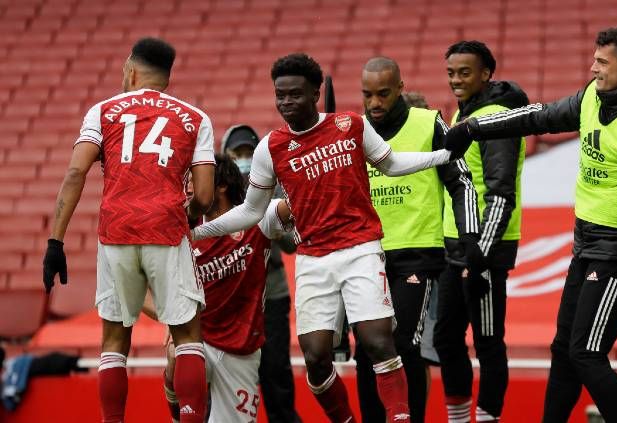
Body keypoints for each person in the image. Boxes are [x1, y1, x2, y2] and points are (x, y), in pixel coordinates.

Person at [191, 53, 464, 423]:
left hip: (361, 249)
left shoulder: (350, 125)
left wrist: (444, 154)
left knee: (379, 341)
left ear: (316, 92)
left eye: (295, 94)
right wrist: (196, 230)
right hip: (314, 258)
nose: (287, 103)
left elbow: (393, 164)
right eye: (280, 95)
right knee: (316, 358)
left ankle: (400, 417)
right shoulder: (269, 148)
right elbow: (252, 212)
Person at [444, 28, 617, 423]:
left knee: (586, 353)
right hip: (587, 241)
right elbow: (541, 116)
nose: (593, 68)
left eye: (601, 62)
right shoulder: (593, 95)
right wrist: (474, 127)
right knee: (563, 349)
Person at [41, 38, 215, 423]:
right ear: (166, 79)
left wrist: (56, 241)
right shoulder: (195, 118)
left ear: (130, 71)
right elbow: (203, 196)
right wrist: (186, 211)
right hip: (168, 231)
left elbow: (75, 172)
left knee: (115, 341)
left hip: (116, 232)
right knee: (187, 337)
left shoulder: (101, 112)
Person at [354, 56, 480, 423]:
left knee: (404, 344)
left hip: (417, 254)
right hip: (365, 255)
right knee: (367, 350)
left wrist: (470, 239)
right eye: (368, 95)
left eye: (383, 94)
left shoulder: (428, 123)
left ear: (400, 89)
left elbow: (462, 181)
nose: (375, 103)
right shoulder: (354, 130)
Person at [432, 40, 530, 423]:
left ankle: (489, 418)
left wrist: (481, 253)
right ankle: (459, 418)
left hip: (485, 249)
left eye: (465, 72)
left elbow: (501, 191)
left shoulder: (496, 120)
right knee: (446, 339)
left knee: (487, 342)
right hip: (456, 247)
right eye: (451, 73)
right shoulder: (464, 113)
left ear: (486, 74)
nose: (456, 80)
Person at [154, 154, 291, 423]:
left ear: (221, 185)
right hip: (198, 339)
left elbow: (292, 207)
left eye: (195, 178)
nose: (189, 187)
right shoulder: (183, 233)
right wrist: (172, 322)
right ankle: (176, 406)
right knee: (176, 355)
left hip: (242, 349)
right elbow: (150, 288)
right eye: (187, 180)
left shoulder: (256, 220)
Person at [221, 125, 303, 423]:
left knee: (275, 371)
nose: (243, 160)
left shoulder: (276, 188)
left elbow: (293, 245)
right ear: (226, 157)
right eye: (236, 153)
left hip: (272, 294)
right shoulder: (217, 192)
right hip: (229, 299)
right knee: (229, 375)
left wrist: (270, 212)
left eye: (248, 153)